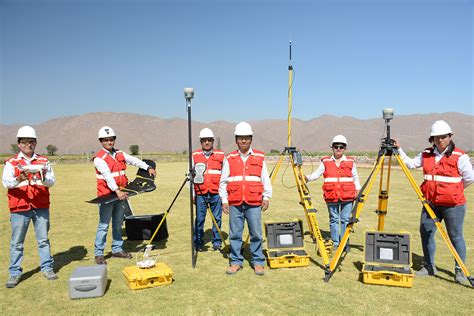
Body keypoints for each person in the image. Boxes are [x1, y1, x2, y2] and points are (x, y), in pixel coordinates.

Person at [394, 120, 473, 284]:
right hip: (430, 204)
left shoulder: (460, 156)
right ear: (432, 138)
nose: (440, 140)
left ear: (450, 136)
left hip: (454, 205)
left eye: (443, 137)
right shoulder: (426, 153)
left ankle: (460, 272)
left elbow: (469, 178)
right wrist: (399, 150)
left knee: (456, 236)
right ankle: (429, 266)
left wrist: (454, 191)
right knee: (426, 233)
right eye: (436, 137)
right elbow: (410, 164)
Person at [2, 126, 58, 288]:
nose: (28, 145)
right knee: (17, 242)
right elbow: (6, 183)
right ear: (19, 144)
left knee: (43, 240)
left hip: (40, 205)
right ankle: (14, 273)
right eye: (25, 142)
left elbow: (51, 182)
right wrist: (19, 178)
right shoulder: (12, 162)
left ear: (36, 143)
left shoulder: (44, 161)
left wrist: (43, 176)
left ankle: (47, 268)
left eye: (31, 142)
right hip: (19, 207)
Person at [93, 126, 156, 265]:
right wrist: (117, 191)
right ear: (101, 141)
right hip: (107, 196)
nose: (109, 142)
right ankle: (98, 253)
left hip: (121, 194)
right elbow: (107, 176)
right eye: (106, 140)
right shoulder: (99, 158)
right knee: (104, 225)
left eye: (111, 140)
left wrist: (147, 167)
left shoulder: (120, 154)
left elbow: (133, 160)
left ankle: (117, 249)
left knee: (117, 224)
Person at [219, 122, 272, 276]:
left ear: (251, 139)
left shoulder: (260, 157)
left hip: (254, 202)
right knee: (235, 233)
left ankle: (258, 261)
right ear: (236, 139)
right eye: (240, 138)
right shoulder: (229, 158)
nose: (243, 141)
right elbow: (223, 181)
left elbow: (265, 179)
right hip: (235, 201)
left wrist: (266, 196)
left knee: (256, 233)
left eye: (246, 138)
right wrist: (224, 200)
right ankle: (235, 261)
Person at [304, 135, 361, 251]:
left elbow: (355, 177)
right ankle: (335, 242)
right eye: (336, 146)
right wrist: (306, 178)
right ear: (332, 147)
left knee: (345, 220)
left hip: (348, 196)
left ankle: (344, 242)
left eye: (341, 146)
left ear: (345, 148)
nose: (338, 148)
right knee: (334, 219)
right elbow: (317, 174)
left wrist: (358, 190)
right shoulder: (325, 161)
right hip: (331, 196)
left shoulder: (350, 161)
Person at [192, 128, 225, 251]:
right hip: (200, 193)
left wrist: (224, 195)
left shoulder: (221, 155)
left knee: (217, 218)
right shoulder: (194, 155)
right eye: (204, 140)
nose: (207, 142)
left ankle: (217, 242)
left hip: (216, 193)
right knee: (200, 219)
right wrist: (192, 194)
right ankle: (198, 242)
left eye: (209, 140)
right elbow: (190, 176)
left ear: (213, 141)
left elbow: (225, 175)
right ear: (200, 141)